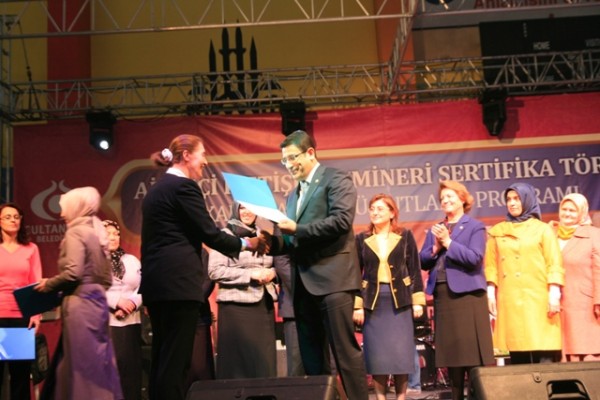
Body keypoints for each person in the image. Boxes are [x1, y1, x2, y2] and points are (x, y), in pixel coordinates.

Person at [140, 134, 267, 400]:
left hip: (157, 287)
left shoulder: (156, 190)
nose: (205, 161)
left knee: (162, 360)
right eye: (202, 154)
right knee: (176, 364)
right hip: (178, 286)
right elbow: (210, 233)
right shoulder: (183, 187)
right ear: (187, 155)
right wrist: (248, 243)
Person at [277, 130, 369, 400]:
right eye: (284, 160)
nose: (288, 164)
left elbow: (341, 221)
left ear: (310, 153)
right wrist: (269, 244)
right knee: (312, 358)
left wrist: (297, 229)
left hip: (334, 280)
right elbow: (291, 240)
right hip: (303, 284)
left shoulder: (336, 179)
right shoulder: (293, 196)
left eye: (292, 157)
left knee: (345, 354)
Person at [36, 186, 122, 399]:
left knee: (82, 364)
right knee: (96, 360)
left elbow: (73, 273)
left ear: (76, 207)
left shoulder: (76, 232)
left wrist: (49, 284)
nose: (61, 214)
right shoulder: (97, 234)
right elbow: (107, 279)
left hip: (81, 304)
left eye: (64, 208)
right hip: (97, 303)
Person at [420, 180, 494, 400]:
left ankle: (476, 395)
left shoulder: (475, 226)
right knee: (451, 353)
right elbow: (422, 260)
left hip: (468, 295)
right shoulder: (436, 228)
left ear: (463, 199)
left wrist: (448, 242)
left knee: (471, 353)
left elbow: (474, 258)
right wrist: (435, 247)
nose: (445, 201)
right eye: (442, 198)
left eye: (450, 196)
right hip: (443, 295)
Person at [352, 193, 426, 400]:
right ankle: (380, 398)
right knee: (378, 356)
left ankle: (401, 397)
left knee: (401, 354)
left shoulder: (405, 236)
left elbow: (414, 269)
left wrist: (417, 301)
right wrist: (357, 305)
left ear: (392, 213)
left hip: (400, 302)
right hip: (374, 303)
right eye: (372, 209)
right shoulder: (362, 239)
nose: (375, 212)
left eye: (380, 209)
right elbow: (355, 274)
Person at [485, 182, 564, 365]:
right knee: (517, 353)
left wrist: (554, 294)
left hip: (538, 298)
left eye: (517, 198)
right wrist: (490, 293)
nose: (512, 203)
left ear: (527, 200)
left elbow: (554, 263)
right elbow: (491, 266)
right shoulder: (498, 231)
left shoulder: (543, 229)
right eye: (509, 199)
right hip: (510, 298)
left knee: (542, 351)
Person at [208, 202, 278, 379]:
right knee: (239, 364)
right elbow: (215, 271)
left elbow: (278, 264)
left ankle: (263, 393)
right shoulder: (225, 236)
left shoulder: (263, 235)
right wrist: (250, 274)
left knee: (264, 361)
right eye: (242, 208)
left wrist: (273, 273)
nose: (246, 212)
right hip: (236, 308)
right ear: (235, 210)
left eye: (250, 208)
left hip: (263, 305)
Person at [549, 193, 600, 361]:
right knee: (563, 355)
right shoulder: (550, 233)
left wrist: (598, 301)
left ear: (582, 213)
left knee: (586, 352)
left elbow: (599, 270)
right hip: (556, 306)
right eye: (564, 209)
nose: (567, 213)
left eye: (572, 210)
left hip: (584, 306)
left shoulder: (594, 235)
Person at [0, 203, 42, 400]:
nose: (13, 220)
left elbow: (36, 283)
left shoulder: (31, 249)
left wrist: (36, 314)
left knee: (20, 376)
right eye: (8, 217)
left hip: (20, 317)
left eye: (16, 216)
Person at [103, 220, 143, 400]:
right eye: (108, 234)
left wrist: (132, 304)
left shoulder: (131, 260)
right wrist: (117, 302)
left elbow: (144, 286)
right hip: (106, 323)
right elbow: (92, 288)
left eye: (116, 234)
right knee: (110, 372)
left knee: (131, 372)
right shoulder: (94, 262)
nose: (113, 237)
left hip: (131, 322)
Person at [273, 254, 306, 376]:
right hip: (295, 306)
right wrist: (307, 290)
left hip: (323, 305)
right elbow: (281, 261)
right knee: (297, 365)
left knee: (327, 365)